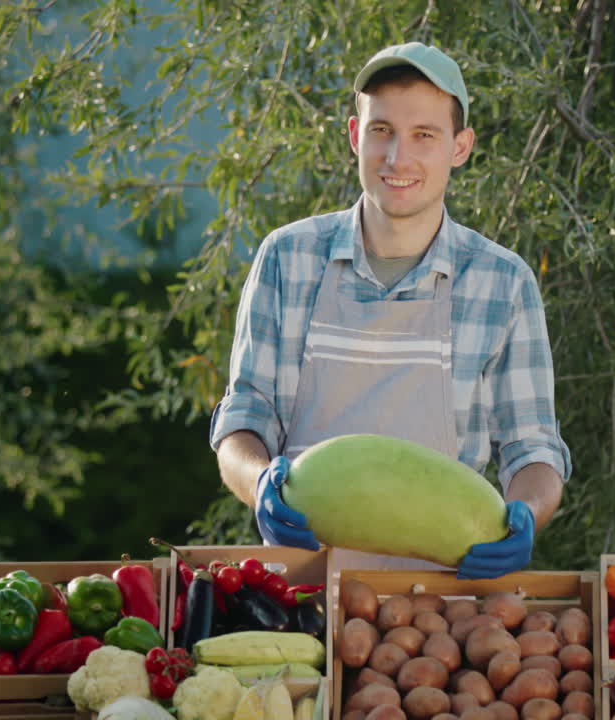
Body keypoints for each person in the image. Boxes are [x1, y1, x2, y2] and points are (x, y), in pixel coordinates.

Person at [209, 42, 571, 579]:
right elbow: (244, 419)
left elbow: (532, 445)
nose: (397, 157)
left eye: (424, 135)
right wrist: (258, 481)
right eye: (382, 130)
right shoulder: (287, 258)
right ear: (356, 136)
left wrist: (527, 513)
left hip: (443, 609)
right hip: (301, 595)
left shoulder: (503, 281)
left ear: (460, 147)